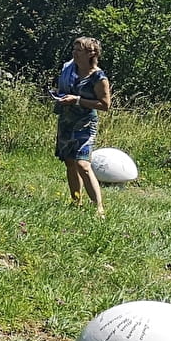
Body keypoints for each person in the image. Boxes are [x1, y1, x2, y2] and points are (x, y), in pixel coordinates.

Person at [52, 35, 113, 218]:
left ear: (91, 54)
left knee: (83, 164)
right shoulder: (70, 69)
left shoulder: (98, 77)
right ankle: (76, 202)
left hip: (85, 123)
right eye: (74, 49)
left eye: (79, 50)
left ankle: (98, 208)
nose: (74, 53)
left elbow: (105, 105)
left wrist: (77, 100)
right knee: (70, 162)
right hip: (66, 120)